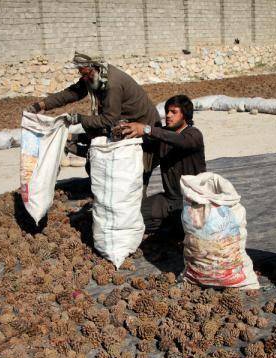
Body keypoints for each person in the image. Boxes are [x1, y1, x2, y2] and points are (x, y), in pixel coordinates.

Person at [26, 52, 160, 181]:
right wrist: (41, 105)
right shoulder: (94, 76)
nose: (84, 78)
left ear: (95, 67)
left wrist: (80, 119)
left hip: (144, 132)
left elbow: (109, 119)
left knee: (130, 174)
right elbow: (71, 93)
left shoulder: (112, 85)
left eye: (86, 74)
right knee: (98, 162)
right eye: (81, 74)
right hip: (122, 125)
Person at [121, 95, 206, 237]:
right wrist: (126, 131)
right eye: (167, 111)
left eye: (174, 112)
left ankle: (173, 228)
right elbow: (144, 140)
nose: (168, 115)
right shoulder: (163, 136)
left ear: (185, 115)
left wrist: (148, 129)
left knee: (189, 226)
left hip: (192, 202)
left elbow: (180, 141)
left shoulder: (193, 135)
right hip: (170, 199)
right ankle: (169, 226)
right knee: (131, 216)